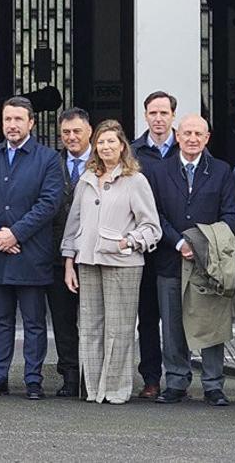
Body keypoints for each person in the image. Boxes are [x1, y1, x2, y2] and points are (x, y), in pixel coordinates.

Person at [61, 119, 161, 404]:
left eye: (111, 142)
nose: (105, 147)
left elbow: (152, 227)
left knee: (119, 329)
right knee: (91, 327)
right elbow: (74, 223)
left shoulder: (135, 180)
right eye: (101, 142)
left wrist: (126, 241)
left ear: (122, 146)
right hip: (88, 261)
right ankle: (93, 389)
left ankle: (115, 389)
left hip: (123, 263)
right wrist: (69, 261)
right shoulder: (86, 178)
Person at [0, 96, 63, 400]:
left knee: (35, 321)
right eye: (7, 119)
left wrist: (15, 234)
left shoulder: (48, 158)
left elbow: (49, 202)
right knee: (0, 320)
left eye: (18, 119)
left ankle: (33, 379)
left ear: (31, 123)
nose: (12, 125)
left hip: (31, 253)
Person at [148, 114, 235, 406]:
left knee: (211, 324)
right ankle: (175, 381)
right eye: (187, 133)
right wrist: (178, 242)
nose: (192, 139)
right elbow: (154, 215)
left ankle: (213, 384)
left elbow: (230, 215)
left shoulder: (223, 171)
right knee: (172, 325)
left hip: (208, 263)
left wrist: (201, 247)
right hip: (170, 260)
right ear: (177, 136)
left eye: (199, 134)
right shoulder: (159, 172)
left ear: (207, 138)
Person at [130, 90, 178, 399]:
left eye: (164, 113)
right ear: (145, 115)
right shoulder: (133, 153)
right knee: (147, 319)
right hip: (144, 251)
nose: (158, 119)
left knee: (177, 320)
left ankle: (178, 377)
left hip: (176, 249)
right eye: (153, 113)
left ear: (173, 116)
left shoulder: (186, 147)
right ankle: (151, 378)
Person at [48, 108, 91, 397]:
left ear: (89, 131)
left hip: (91, 256)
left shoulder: (103, 162)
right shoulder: (52, 163)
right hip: (54, 255)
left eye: (77, 131)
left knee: (91, 320)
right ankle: (70, 375)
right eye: (66, 132)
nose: (71, 137)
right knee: (62, 321)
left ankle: (92, 377)